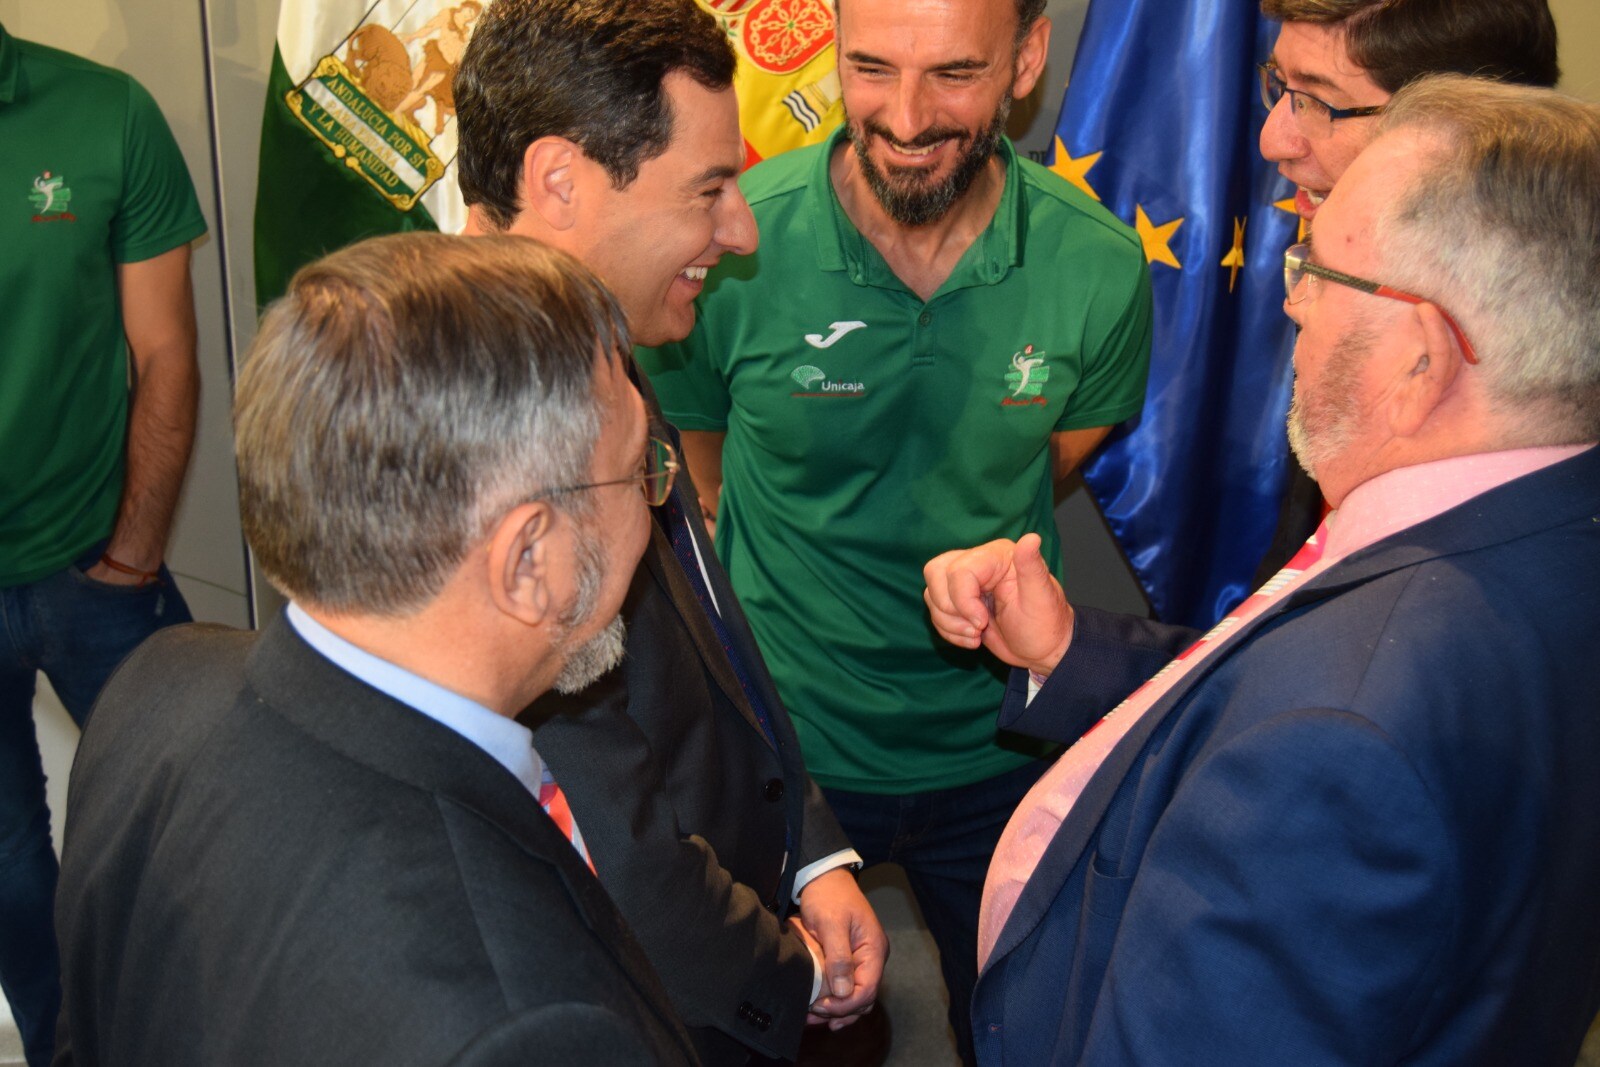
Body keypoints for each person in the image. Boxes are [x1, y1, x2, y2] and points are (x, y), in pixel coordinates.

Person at [925, 76, 1600, 1064]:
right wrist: (1069, 646)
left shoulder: (1340, 744)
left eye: (1318, 269)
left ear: (1420, 359)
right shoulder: (1541, 527)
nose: (1289, 300)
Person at [635, 0, 1152, 1054]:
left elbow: (1058, 452)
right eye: (870, 67)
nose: (905, 118)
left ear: (1028, 59)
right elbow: (704, 464)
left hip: (1002, 751)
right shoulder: (732, 245)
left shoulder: (1098, 264)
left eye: (953, 73)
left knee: (1024, 1029)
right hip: (782, 751)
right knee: (775, 1033)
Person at [53, 233, 696, 1066]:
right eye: (637, 469)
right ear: (527, 559)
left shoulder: (158, 682)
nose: (654, 505)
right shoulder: (523, 1024)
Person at [453, 2, 885, 1061]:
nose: (740, 230)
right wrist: (784, 977)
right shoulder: (480, 433)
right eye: (707, 189)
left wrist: (808, 855)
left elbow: (708, 623)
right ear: (560, 180)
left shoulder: (593, 340)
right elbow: (608, 821)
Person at [0, 24, 205, 1067]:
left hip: (96, 569)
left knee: (192, 832)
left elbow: (165, 348)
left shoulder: (106, 112)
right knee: (9, 878)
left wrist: (134, 549)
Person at [1251, 0, 1559, 579]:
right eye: (1280, 85)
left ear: (1468, 125)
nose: (1275, 140)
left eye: (1319, 101)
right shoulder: (1363, 295)